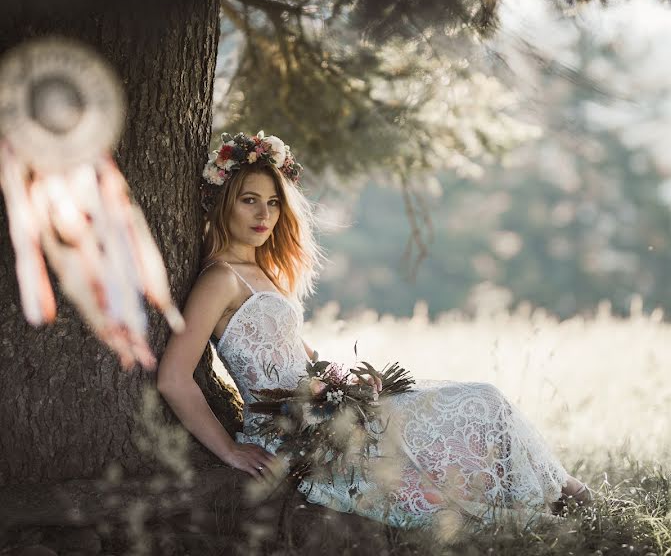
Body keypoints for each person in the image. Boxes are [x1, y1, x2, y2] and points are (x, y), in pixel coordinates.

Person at [157, 131, 593, 529]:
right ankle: (560, 497)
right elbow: (174, 378)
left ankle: (552, 495)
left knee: (473, 401)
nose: (264, 214)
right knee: (480, 399)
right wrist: (229, 450)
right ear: (222, 201)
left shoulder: (260, 271)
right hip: (293, 431)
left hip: (327, 407)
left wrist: (345, 380)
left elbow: (298, 356)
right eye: (249, 200)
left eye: (273, 203)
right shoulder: (220, 279)